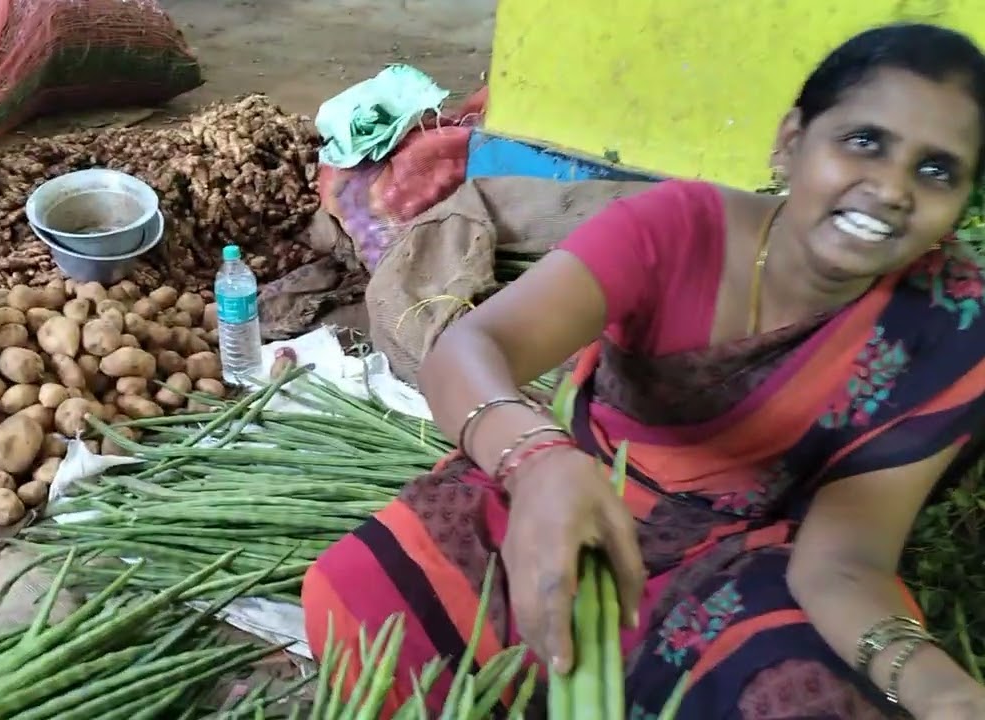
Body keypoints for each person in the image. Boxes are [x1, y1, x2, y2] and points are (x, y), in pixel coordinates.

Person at [302, 23, 985, 720]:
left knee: (801, 697)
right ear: (791, 141)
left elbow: (844, 559)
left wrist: (929, 679)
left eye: (936, 171)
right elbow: (471, 349)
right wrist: (535, 461)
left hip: (743, 564)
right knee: (359, 594)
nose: (893, 188)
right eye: (863, 142)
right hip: (573, 494)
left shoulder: (948, 329)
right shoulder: (678, 228)